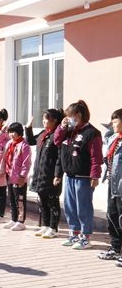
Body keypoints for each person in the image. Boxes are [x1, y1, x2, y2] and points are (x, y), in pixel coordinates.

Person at [53, 100, 103, 250]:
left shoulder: (92, 133)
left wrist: (95, 175)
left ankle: (85, 237)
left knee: (83, 207)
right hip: (70, 175)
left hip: (84, 177)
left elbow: (96, 157)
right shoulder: (69, 131)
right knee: (70, 207)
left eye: (71, 116)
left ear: (79, 115)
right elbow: (57, 141)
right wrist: (62, 127)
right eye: (67, 116)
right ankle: (73, 233)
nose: (69, 119)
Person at [25, 109, 64, 238]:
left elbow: (59, 158)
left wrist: (58, 175)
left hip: (51, 175)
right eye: (43, 119)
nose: (43, 121)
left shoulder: (57, 136)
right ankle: (45, 225)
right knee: (42, 202)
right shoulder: (44, 134)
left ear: (54, 121)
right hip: (40, 174)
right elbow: (31, 141)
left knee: (52, 202)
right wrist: (28, 128)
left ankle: (53, 228)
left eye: (46, 119)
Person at [99, 108, 122, 264]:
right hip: (113, 185)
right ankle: (115, 248)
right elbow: (106, 140)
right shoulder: (115, 138)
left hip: (121, 185)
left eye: (115, 122)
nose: (113, 124)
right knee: (112, 216)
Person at [0, 122, 31, 231]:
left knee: (20, 200)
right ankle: (13, 219)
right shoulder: (9, 144)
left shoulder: (24, 145)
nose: (11, 134)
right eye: (10, 132)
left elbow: (26, 163)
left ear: (19, 133)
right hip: (10, 175)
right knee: (12, 199)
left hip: (19, 178)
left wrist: (22, 176)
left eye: (14, 132)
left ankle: (21, 221)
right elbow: (4, 158)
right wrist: (2, 169)